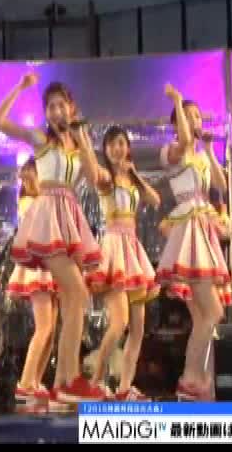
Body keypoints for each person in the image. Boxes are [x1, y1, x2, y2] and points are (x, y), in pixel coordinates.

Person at [0, 72, 105, 403]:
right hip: (48, 217)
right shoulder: (41, 139)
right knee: (77, 293)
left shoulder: (76, 144)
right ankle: (68, 379)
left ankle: (63, 381)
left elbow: (95, 178)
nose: (55, 111)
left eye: (61, 105)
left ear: (71, 108)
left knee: (72, 299)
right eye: (50, 106)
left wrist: (83, 138)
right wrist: (19, 87)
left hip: (69, 216)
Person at [156, 84, 230, 401]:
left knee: (203, 316)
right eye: (187, 117)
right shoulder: (170, 150)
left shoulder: (200, 157)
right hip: (188, 228)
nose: (195, 121)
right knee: (212, 312)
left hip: (203, 227)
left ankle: (196, 380)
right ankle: (190, 378)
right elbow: (185, 141)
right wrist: (176, 100)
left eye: (198, 116)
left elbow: (222, 184)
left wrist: (210, 151)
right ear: (176, 124)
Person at [86, 125, 161, 401]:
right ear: (105, 150)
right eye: (111, 144)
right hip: (114, 249)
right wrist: (84, 140)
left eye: (121, 143)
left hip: (133, 250)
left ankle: (125, 387)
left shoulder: (131, 179)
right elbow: (93, 172)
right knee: (119, 323)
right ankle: (95, 381)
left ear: (128, 147)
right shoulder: (106, 178)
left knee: (138, 328)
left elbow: (155, 199)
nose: (117, 148)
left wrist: (135, 174)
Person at [6, 158, 60, 403]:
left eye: (34, 175)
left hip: (51, 266)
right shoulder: (29, 203)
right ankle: (26, 381)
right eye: (28, 177)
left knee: (51, 331)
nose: (31, 181)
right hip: (38, 267)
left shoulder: (45, 201)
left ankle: (35, 381)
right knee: (43, 327)